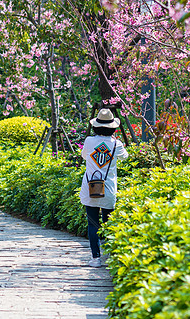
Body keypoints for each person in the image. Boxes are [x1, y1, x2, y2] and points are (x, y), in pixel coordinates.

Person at [80, 108, 129, 268]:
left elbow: (84, 155)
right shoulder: (116, 144)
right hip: (108, 189)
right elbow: (126, 156)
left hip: (91, 188)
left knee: (93, 224)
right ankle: (112, 257)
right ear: (113, 128)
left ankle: (96, 258)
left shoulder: (88, 141)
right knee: (109, 224)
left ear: (96, 126)